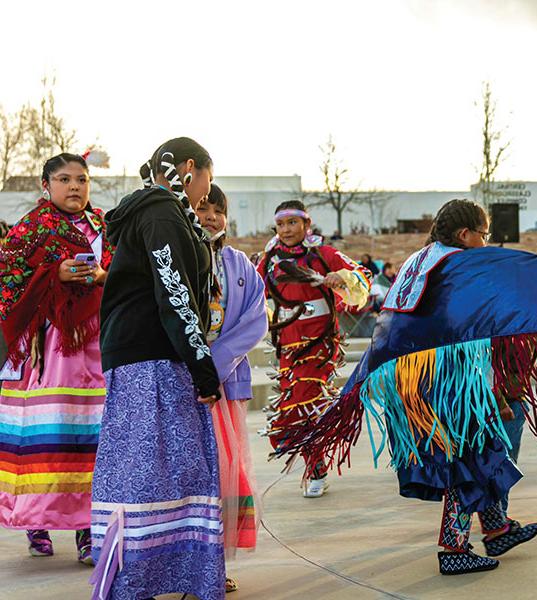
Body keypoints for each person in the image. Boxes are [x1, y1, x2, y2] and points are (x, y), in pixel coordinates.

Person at [284, 198, 537, 575]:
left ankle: (496, 528)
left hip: (413, 377)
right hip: (439, 378)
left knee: (482, 448)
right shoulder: (458, 263)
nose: (485, 242)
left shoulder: (422, 259)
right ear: (465, 234)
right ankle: (453, 547)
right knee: (466, 456)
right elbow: (487, 307)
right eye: (483, 234)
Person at [90, 138, 225, 600]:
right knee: (151, 471)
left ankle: (165, 575)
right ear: (190, 167)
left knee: (163, 469)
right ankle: (134, 581)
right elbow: (175, 292)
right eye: (208, 176)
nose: (207, 191)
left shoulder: (159, 212)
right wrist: (202, 365)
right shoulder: (162, 211)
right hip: (151, 358)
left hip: (147, 355)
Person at [0, 153, 112, 564]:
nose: (75, 187)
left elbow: (126, 271)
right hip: (49, 349)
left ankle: (88, 528)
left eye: (81, 179)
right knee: (51, 436)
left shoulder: (105, 226)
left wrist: (102, 275)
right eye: (64, 179)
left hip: (100, 344)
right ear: (45, 186)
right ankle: (38, 521)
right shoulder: (32, 228)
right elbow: (7, 279)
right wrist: (53, 275)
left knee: (95, 439)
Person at [259, 201, 370, 498]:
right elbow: (253, 291)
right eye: (281, 225)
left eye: (292, 223)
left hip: (319, 344)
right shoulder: (270, 258)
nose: (286, 230)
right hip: (286, 345)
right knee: (302, 409)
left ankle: (316, 466)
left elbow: (361, 276)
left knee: (301, 403)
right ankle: (317, 463)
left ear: (306, 225)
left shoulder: (323, 254)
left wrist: (342, 279)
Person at [195, 184, 268, 594]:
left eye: (216, 210)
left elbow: (255, 321)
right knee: (194, 475)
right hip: (182, 384)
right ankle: (188, 560)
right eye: (202, 207)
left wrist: (213, 364)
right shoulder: (175, 258)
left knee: (226, 475)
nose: (209, 217)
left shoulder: (239, 265)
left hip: (222, 386)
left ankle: (214, 564)